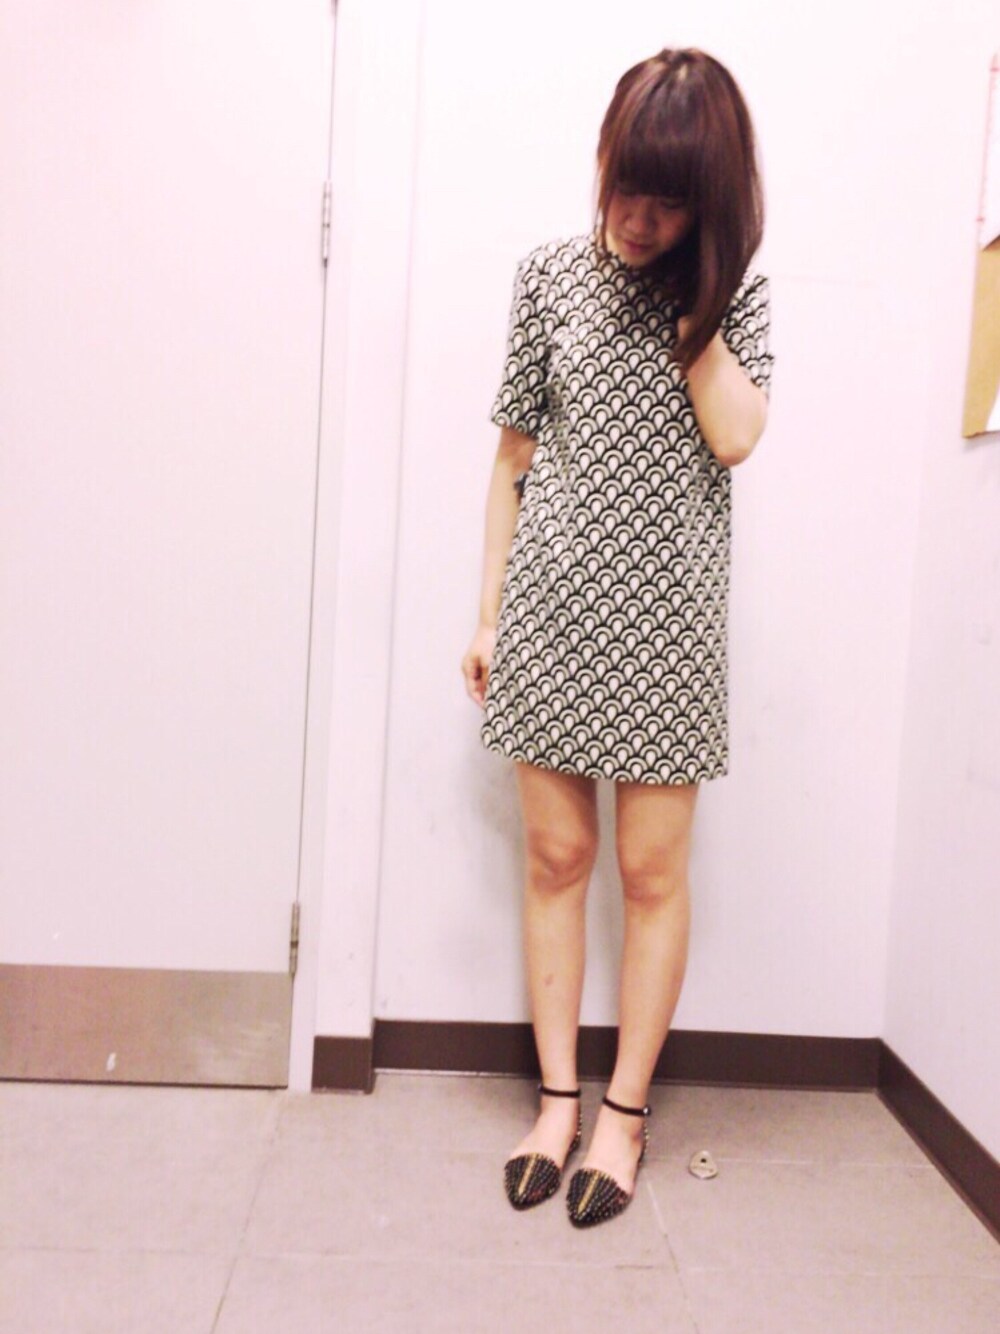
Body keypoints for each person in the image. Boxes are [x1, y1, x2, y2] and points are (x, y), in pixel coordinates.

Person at [461, 47, 773, 1228]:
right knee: (555, 859)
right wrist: (488, 612)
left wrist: (697, 306)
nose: (638, 218)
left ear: (711, 197)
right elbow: (512, 456)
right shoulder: (547, 275)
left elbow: (736, 437)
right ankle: (555, 1101)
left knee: (650, 874)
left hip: (667, 631)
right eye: (626, 186)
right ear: (602, 161)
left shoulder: (732, 294)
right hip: (550, 614)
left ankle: (624, 1114)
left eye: (670, 199)